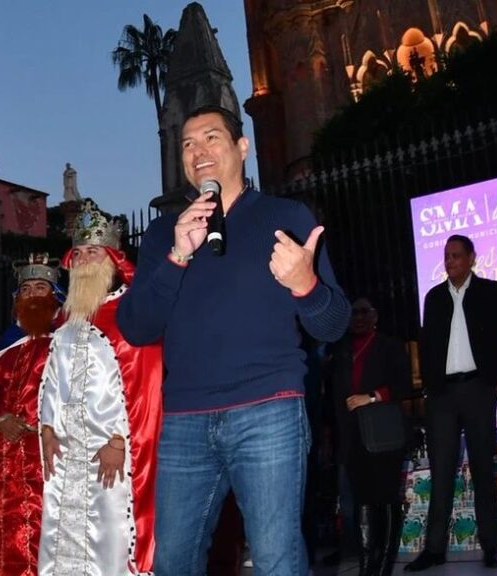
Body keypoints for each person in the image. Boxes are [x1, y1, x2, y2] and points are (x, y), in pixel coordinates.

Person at [116, 105, 350, 576]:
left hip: (269, 409)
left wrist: (306, 285)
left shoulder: (285, 217)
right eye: (187, 143)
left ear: (242, 147)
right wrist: (178, 256)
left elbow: (334, 325)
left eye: (211, 137)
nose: (197, 150)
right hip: (184, 419)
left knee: (276, 559)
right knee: (172, 562)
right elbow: (136, 327)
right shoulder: (163, 233)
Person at [38, 200, 163, 575]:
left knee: (111, 538)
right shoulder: (66, 320)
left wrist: (119, 442)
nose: (83, 260)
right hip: (67, 452)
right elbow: (51, 381)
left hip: (111, 451)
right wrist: (47, 429)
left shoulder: (130, 312)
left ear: (112, 259)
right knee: (65, 534)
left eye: (92, 252)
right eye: (77, 253)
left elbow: (146, 386)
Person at [406, 234, 497, 571]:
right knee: (441, 470)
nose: (450, 261)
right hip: (442, 396)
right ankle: (434, 549)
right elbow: (427, 344)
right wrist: (429, 386)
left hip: (478, 389)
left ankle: (491, 545)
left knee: (482, 468)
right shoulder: (434, 297)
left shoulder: (490, 291)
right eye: (446, 256)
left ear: (472, 258)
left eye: (456, 255)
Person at [0, 253, 64, 576]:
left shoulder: (68, 341)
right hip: (8, 457)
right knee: (11, 532)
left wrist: (43, 425)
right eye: (26, 289)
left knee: (53, 534)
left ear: (55, 296)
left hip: (51, 454)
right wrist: (2, 419)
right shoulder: (6, 346)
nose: (32, 295)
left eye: (40, 287)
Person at [329, 297, 411, 576]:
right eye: (353, 313)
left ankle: (384, 565)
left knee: (386, 497)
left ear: (375, 316)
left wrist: (372, 397)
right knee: (362, 499)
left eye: (364, 312)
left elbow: (403, 385)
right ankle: (367, 567)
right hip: (352, 436)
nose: (358, 318)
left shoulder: (389, 346)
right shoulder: (340, 351)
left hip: (383, 434)